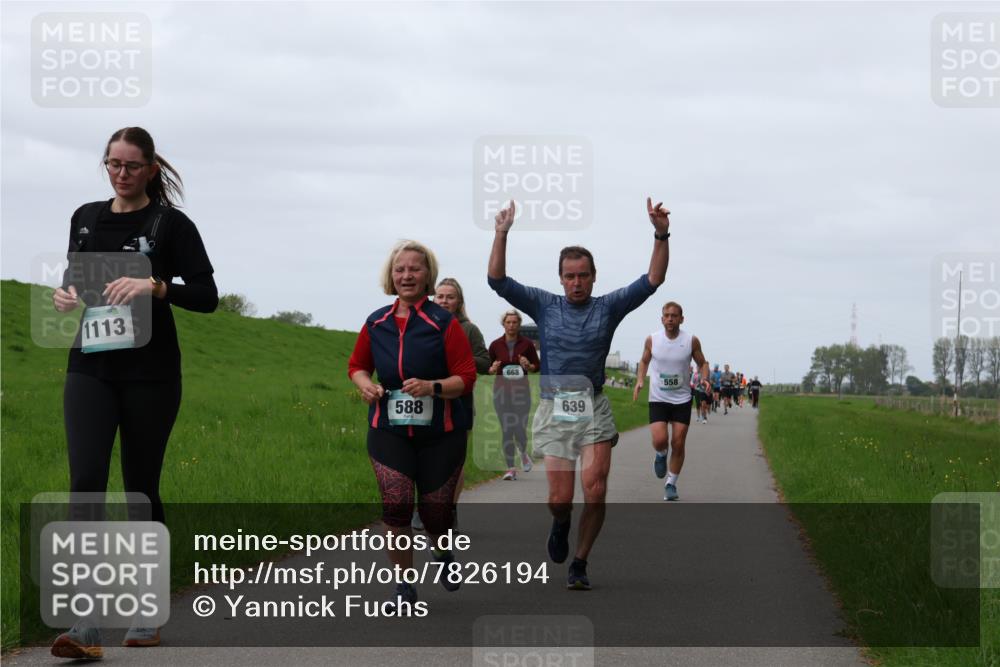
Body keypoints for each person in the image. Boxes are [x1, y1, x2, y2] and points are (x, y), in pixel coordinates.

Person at [50, 127, 218, 659]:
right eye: (113, 164)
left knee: (139, 487)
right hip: (90, 365)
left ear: (150, 168)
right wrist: (65, 295)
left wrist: (157, 286)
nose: (121, 174)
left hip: (151, 373)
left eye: (131, 166)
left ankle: (147, 608)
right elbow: (77, 280)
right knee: (85, 481)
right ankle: (85, 624)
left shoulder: (171, 224)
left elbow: (208, 297)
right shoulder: (84, 217)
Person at [488, 197, 670, 590]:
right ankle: (560, 521)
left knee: (597, 487)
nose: (576, 282)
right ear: (560, 278)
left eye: (583, 275)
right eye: (570, 276)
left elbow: (653, 281)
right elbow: (497, 281)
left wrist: (660, 234)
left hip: (594, 408)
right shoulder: (544, 305)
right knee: (560, 497)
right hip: (555, 409)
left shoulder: (608, 308)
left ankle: (580, 562)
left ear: (593, 276)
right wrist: (501, 233)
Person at [348, 241, 476, 608]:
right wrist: (365, 386)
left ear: (427, 276)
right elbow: (356, 366)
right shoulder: (377, 322)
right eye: (400, 269)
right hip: (388, 431)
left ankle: (443, 553)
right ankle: (404, 586)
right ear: (391, 275)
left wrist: (432, 387)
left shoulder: (444, 323)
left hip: (441, 435)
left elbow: (466, 378)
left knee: (436, 514)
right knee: (397, 505)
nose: (406, 275)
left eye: (414, 269)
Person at [416, 277, 489, 531]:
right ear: (433, 298)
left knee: (452, 463)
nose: (444, 301)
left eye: (450, 297)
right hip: (426, 401)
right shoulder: (422, 325)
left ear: (459, 302)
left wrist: (460, 357)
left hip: (459, 402)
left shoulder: (469, 330)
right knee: (423, 458)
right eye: (440, 296)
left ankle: (450, 510)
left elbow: (484, 362)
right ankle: (422, 507)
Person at [632, 302, 709, 501]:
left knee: (678, 442)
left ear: (681, 319)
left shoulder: (691, 340)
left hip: (682, 399)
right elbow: (644, 361)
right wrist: (640, 380)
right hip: (658, 398)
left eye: (674, 316)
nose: (670, 319)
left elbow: (703, 363)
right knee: (659, 440)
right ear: (662, 319)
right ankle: (660, 454)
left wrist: (705, 378)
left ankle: (671, 484)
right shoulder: (652, 339)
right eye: (666, 315)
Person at [488, 308, 540, 480]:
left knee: (519, 429)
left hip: (521, 393)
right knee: (506, 429)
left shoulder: (527, 344)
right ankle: (510, 468)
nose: (511, 325)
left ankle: (523, 452)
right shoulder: (495, 345)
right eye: (508, 322)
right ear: (503, 324)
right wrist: (492, 369)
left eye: (515, 322)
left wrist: (528, 366)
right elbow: (488, 368)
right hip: (501, 393)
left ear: (519, 324)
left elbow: (536, 367)